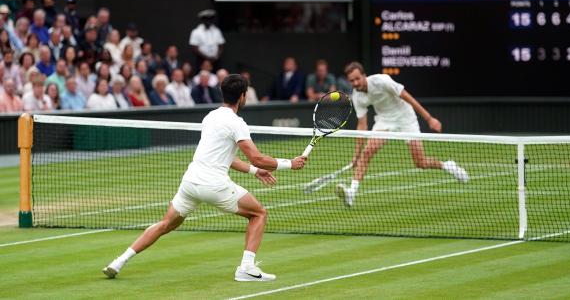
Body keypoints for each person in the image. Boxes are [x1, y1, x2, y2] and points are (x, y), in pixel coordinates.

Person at [103, 74, 306, 281]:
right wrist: (289, 163)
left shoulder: (210, 117)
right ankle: (246, 268)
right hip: (214, 185)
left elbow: (227, 158)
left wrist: (255, 172)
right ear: (243, 96)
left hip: (190, 182)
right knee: (259, 214)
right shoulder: (237, 123)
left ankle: (118, 261)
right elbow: (256, 157)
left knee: (165, 224)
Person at [336, 62, 468, 207]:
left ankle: (448, 166)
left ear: (363, 75)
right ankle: (351, 193)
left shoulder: (382, 81)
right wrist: (356, 155)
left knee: (420, 162)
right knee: (367, 152)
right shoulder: (357, 97)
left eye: (357, 79)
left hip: (406, 118)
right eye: (352, 81)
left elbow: (407, 96)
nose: (355, 83)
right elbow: (362, 125)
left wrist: (429, 118)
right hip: (384, 121)